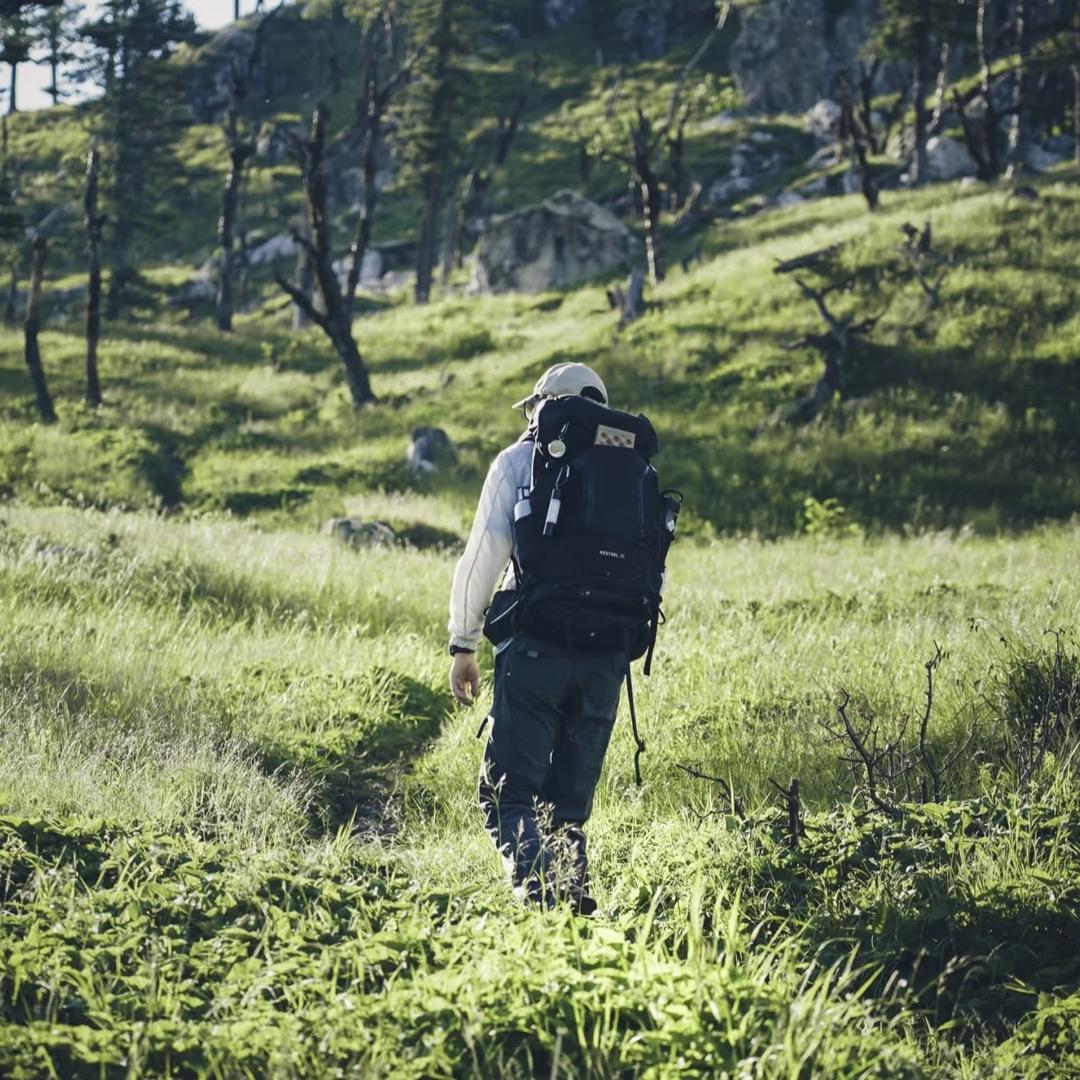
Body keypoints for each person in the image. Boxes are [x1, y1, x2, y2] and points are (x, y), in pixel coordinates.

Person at [448, 362, 629, 914]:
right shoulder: (633, 471)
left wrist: (463, 643)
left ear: (546, 406)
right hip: (607, 658)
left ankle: (542, 898)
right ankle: (572, 904)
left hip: (536, 650)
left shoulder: (519, 461)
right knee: (568, 807)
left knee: (509, 794)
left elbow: (483, 558)